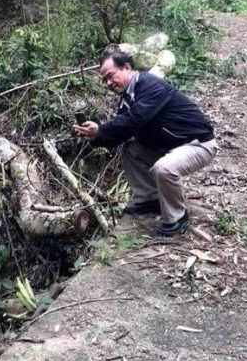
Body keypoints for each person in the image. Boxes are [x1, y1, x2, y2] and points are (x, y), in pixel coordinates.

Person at [73, 52, 217, 236]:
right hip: (171, 146)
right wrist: (94, 136)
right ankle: (151, 199)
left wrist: (101, 130)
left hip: (198, 144)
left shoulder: (150, 85)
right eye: (104, 80)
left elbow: (135, 119)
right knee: (131, 150)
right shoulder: (127, 99)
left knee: (164, 168)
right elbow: (121, 133)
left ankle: (177, 217)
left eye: (110, 76)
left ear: (126, 67)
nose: (108, 83)